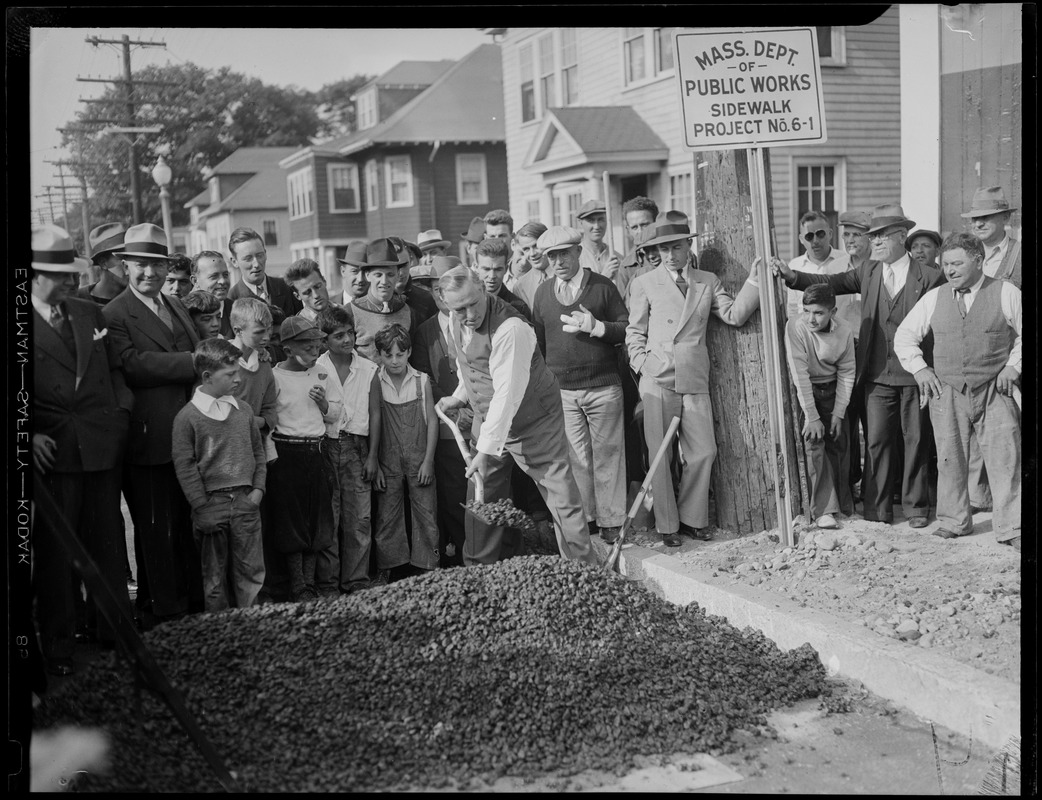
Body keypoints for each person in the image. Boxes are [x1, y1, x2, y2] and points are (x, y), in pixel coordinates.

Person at [772, 203, 946, 528]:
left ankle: (916, 508)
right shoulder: (869, 271)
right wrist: (792, 276)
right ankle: (876, 510)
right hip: (877, 376)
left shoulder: (931, 277)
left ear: (900, 236)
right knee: (877, 441)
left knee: (916, 441)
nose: (875, 242)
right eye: (873, 237)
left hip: (915, 376)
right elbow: (832, 283)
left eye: (881, 237)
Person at [434, 266, 599, 567]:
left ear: (483, 290)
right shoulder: (454, 323)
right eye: (460, 308)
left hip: (534, 420)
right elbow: (471, 366)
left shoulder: (511, 328)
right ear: (446, 305)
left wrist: (484, 450)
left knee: (560, 495)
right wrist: (460, 395)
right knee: (481, 498)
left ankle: (583, 572)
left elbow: (508, 393)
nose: (469, 313)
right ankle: (479, 570)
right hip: (489, 417)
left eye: (474, 302)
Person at [31, 225, 134, 676]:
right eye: (60, 275)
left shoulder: (89, 313)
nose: (72, 282)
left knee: (108, 544)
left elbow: (115, 372)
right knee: (56, 552)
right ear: (33, 276)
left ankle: (114, 633)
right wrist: (27, 436)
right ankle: (59, 647)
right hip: (54, 454)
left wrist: (121, 414)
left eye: (73, 273)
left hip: (100, 445)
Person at [626, 219, 762, 547]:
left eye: (676, 247)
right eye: (662, 249)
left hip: (694, 377)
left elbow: (733, 315)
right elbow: (634, 332)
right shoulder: (645, 283)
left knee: (703, 451)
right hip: (657, 380)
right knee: (660, 456)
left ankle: (692, 519)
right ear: (654, 252)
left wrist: (756, 281)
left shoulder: (707, 281)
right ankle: (667, 525)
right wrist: (644, 363)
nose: (670, 255)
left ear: (689, 246)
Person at [102, 223, 202, 628]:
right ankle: (164, 609)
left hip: (188, 435)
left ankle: (185, 602)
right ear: (125, 266)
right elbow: (132, 364)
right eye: (141, 265)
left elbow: (193, 345)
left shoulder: (174, 304)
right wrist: (194, 363)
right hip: (149, 437)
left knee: (183, 521)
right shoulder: (113, 313)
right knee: (155, 526)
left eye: (158, 265)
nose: (151, 274)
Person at [895, 232, 1021, 550]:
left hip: (994, 389)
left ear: (978, 260)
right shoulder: (934, 298)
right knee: (950, 458)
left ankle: (1013, 526)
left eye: (956, 263)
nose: (949, 270)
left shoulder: (1005, 291)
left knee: (1006, 457)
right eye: (946, 264)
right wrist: (920, 369)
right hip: (947, 390)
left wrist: (1013, 367)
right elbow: (904, 336)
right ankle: (953, 521)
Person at [531, 226, 629, 543]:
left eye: (564, 254)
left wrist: (597, 327)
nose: (558, 261)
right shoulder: (543, 293)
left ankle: (612, 520)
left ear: (577, 252)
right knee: (577, 458)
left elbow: (627, 328)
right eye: (552, 256)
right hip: (563, 391)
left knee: (608, 455)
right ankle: (586, 519)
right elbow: (540, 345)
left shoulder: (602, 287)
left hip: (602, 386)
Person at [171, 338, 267, 612]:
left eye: (238, 371)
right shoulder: (187, 418)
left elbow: (258, 453)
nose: (238, 379)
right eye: (230, 374)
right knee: (214, 579)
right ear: (207, 377)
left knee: (251, 575)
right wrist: (201, 505)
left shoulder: (244, 410)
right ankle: (222, 636)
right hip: (211, 505)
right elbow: (185, 465)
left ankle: (252, 633)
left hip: (246, 503)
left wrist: (257, 492)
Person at [268, 316, 341, 601]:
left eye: (316, 345)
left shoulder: (322, 372)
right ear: (287, 350)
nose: (315, 352)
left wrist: (323, 403)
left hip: (316, 452)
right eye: (307, 348)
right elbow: (271, 419)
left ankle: (309, 584)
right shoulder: (275, 377)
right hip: (287, 454)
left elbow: (336, 412)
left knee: (316, 520)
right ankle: (297, 585)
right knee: (291, 521)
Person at [315, 305, 381, 593]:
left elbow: (376, 414)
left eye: (350, 333)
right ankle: (328, 583)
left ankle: (356, 581)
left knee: (359, 519)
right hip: (326, 446)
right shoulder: (316, 368)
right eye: (338, 335)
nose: (347, 340)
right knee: (330, 517)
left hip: (358, 448)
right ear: (325, 339)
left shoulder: (369, 368)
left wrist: (373, 457)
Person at [410, 255, 471, 567]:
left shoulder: (477, 322)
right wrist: (451, 412)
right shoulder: (425, 332)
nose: (442, 295)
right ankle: (460, 553)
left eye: (447, 287)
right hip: (447, 426)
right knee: (452, 493)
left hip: (482, 424)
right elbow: (426, 380)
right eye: (435, 289)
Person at [784, 283, 857, 529]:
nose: (811, 318)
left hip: (834, 387)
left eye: (818, 313)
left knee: (839, 442)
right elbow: (799, 373)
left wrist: (838, 412)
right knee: (814, 445)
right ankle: (824, 510)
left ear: (833, 312)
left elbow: (847, 371)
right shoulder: (796, 326)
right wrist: (812, 416)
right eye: (807, 311)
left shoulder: (845, 329)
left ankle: (844, 506)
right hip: (808, 390)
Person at [372, 324, 440, 578]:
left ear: (409, 352)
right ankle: (388, 568)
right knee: (387, 515)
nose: (394, 360)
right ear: (379, 355)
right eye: (388, 355)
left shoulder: (422, 381)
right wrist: (377, 463)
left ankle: (428, 567)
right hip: (387, 460)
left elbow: (432, 420)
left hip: (418, 457)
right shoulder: (376, 381)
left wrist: (429, 460)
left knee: (426, 511)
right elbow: (374, 422)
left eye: (400, 354)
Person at [785, 211, 859, 332]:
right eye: (809, 236)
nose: (815, 241)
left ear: (830, 234)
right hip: (808, 339)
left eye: (820, 234)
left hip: (841, 338)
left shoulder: (847, 261)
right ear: (801, 239)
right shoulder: (794, 266)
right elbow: (793, 310)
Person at [351, 238, 422, 362]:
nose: (384, 282)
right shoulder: (351, 312)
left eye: (390, 274)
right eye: (378, 275)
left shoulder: (408, 311)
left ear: (398, 274)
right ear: (368, 275)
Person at [227, 227, 302, 318]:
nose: (256, 264)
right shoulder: (231, 300)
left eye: (260, 255)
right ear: (234, 262)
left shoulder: (287, 287)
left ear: (265, 254)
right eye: (248, 258)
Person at [963, 186, 1021, 289]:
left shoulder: (1019, 254)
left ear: (1005, 217)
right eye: (974, 218)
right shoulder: (965, 254)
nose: (978, 224)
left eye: (985, 217)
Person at [473, 237, 532, 321]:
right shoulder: (468, 303)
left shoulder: (518, 308)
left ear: (506, 268)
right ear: (476, 267)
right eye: (486, 269)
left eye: (498, 269)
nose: (492, 276)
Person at [389, 236, 439, 324]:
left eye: (404, 265)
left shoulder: (427, 300)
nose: (400, 272)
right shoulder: (374, 301)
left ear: (411, 261)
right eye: (395, 266)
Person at [576, 199, 622, 292]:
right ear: (581, 223)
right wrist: (603, 278)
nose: (596, 226)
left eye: (601, 220)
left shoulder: (617, 258)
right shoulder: (575, 257)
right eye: (591, 220)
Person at [76, 222, 128, 306]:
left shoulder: (137, 300)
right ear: (103, 263)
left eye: (130, 258)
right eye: (121, 257)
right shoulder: (79, 301)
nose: (128, 265)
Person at [190, 250, 234, 336]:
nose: (222, 281)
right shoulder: (184, 312)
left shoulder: (236, 310)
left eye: (225, 275)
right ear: (195, 281)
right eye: (214, 276)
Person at [511, 221, 551, 310]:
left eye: (536, 246)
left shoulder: (565, 274)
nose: (532, 254)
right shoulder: (520, 287)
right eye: (526, 249)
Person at [284, 258, 333, 323]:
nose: (316, 295)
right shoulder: (298, 327)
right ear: (297, 296)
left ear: (324, 281)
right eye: (307, 292)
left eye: (318, 286)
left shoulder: (348, 312)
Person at [337, 241, 369, 306]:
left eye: (365, 272)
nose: (360, 279)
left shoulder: (381, 308)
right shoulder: (328, 306)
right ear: (343, 271)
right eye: (354, 271)